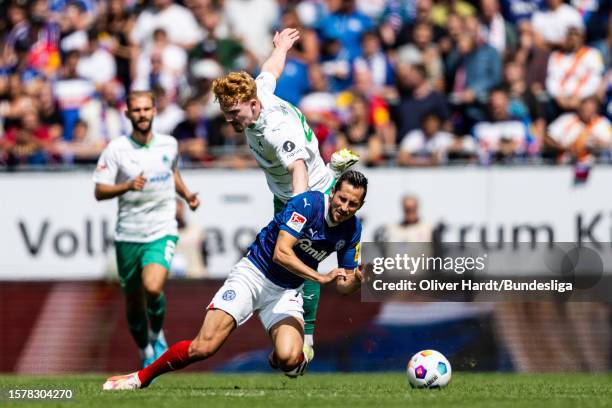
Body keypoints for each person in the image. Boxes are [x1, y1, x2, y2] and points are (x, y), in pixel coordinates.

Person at [102, 170, 367, 390]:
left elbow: (344, 286)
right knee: (204, 347)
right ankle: (138, 378)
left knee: (289, 359)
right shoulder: (308, 204)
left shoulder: (353, 229)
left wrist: (357, 280)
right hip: (253, 274)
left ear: (359, 206)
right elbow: (281, 253)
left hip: (286, 291)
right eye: (342, 199)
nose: (344, 208)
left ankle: (282, 355)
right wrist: (318, 276)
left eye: (352, 204)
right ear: (333, 192)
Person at [211, 28, 359, 362]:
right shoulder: (257, 92)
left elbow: (298, 170)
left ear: (251, 105)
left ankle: (306, 337)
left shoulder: (277, 131)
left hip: (308, 191)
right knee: (294, 259)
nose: (230, 120)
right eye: (226, 113)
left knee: (301, 258)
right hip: (286, 193)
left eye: (234, 113)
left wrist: (301, 212)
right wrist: (280, 47)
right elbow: (271, 70)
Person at [93, 90, 200, 368]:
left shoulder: (169, 144)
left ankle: (156, 334)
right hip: (128, 232)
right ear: (128, 114)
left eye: (146, 109)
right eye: (136, 110)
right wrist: (126, 186)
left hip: (161, 228)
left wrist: (187, 195)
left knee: (153, 288)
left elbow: (172, 172)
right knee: (133, 300)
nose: (142, 115)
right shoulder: (116, 149)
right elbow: (99, 191)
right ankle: (144, 350)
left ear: (154, 111)